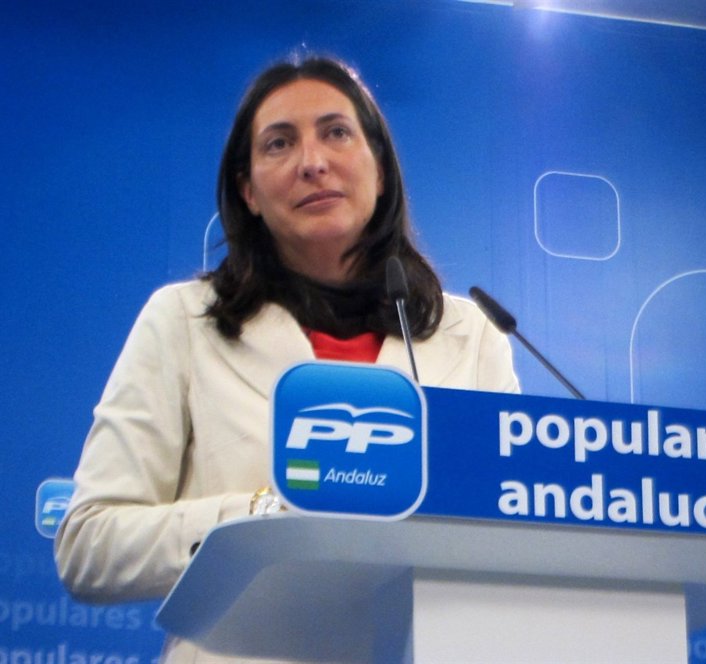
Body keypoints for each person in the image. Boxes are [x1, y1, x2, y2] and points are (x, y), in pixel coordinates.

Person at [55, 55, 519, 662]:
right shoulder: (183, 321)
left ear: (380, 169)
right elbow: (88, 545)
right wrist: (265, 517)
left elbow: (510, 532)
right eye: (279, 143)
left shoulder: (471, 335)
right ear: (248, 191)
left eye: (336, 132)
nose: (313, 162)